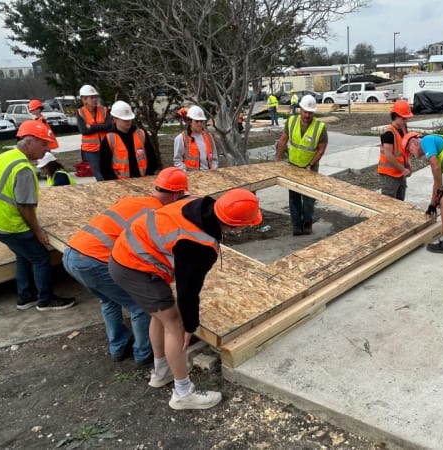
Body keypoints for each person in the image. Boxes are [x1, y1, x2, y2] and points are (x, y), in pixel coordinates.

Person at [108, 188, 262, 410]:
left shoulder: (196, 205)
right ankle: (183, 393)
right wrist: (190, 325)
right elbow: (187, 291)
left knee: (160, 315)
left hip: (126, 255)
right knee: (175, 324)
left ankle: (162, 371)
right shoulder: (199, 245)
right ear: (236, 226)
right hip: (135, 268)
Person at [64, 168, 188, 367]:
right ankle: (144, 353)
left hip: (72, 253)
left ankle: (119, 347)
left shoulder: (131, 200)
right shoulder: (156, 214)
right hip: (95, 260)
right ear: (178, 194)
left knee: (109, 300)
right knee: (140, 305)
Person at [0, 120, 76, 311]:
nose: (46, 150)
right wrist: (38, 232)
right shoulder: (24, 169)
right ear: (29, 142)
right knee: (40, 256)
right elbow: (25, 207)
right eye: (44, 144)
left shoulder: (5, 156)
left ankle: (25, 297)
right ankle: (45, 300)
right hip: (7, 223)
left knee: (23, 254)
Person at [274, 94, 327, 236]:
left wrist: (311, 164)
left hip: (310, 167)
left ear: (313, 113)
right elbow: (283, 141)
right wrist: (278, 161)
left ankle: (307, 222)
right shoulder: (291, 122)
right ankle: (296, 225)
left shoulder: (320, 127)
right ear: (300, 110)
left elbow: (321, 149)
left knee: (309, 198)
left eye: (310, 113)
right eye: (305, 112)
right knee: (294, 197)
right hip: (293, 166)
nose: (307, 115)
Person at [98, 100, 159, 180]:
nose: (128, 122)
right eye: (124, 120)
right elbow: (104, 167)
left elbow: (152, 158)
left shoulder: (141, 134)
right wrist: (114, 181)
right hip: (121, 183)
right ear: (115, 119)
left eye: (129, 119)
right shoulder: (110, 138)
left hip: (143, 179)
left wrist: (148, 174)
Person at [377, 99, 413, 200]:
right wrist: (403, 169)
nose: (406, 120)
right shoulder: (388, 134)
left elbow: (403, 150)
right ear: (396, 116)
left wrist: (408, 163)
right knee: (389, 205)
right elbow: (388, 156)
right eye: (404, 118)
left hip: (400, 173)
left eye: (407, 118)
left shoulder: (403, 128)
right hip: (389, 176)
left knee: (400, 203)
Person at [76, 84, 113, 181]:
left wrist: (92, 127)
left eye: (96, 97)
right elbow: (84, 131)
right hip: (91, 150)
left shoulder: (104, 110)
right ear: (84, 99)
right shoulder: (80, 112)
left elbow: (109, 126)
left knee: (110, 171)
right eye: (92, 97)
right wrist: (101, 126)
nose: (95, 99)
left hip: (106, 147)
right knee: (99, 174)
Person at [173, 105, 218, 172]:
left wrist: (213, 170)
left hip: (209, 176)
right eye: (196, 121)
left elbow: (214, 159)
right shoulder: (181, 138)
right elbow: (177, 161)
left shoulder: (209, 137)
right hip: (191, 176)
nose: (199, 124)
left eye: (201, 121)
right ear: (190, 122)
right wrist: (186, 173)